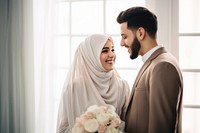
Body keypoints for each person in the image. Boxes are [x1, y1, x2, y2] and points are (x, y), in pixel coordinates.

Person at [116, 6, 183, 133]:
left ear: (140, 33)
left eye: (125, 36)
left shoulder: (163, 67)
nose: (122, 43)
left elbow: (162, 128)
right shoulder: (155, 62)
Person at [56, 34, 130, 133]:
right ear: (91, 56)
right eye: (105, 51)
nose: (112, 55)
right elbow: (63, 129)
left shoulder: (122, 86)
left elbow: (129, 125)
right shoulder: (73, 89)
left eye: (112, 49)